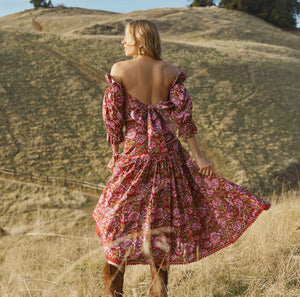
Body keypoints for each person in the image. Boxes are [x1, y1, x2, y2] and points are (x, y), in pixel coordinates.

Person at [92, 20, 271, 297]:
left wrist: (114, 153)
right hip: (168, 158)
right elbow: (184, 120)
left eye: (126, 37)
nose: (122, 42)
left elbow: (113, 119)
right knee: (161, 227)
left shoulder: (119, 70)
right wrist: (199, 158)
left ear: (139, 40)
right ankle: (159, 292)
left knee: (114, 221)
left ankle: (112, 293)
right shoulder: (171, 72)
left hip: (134, 157)